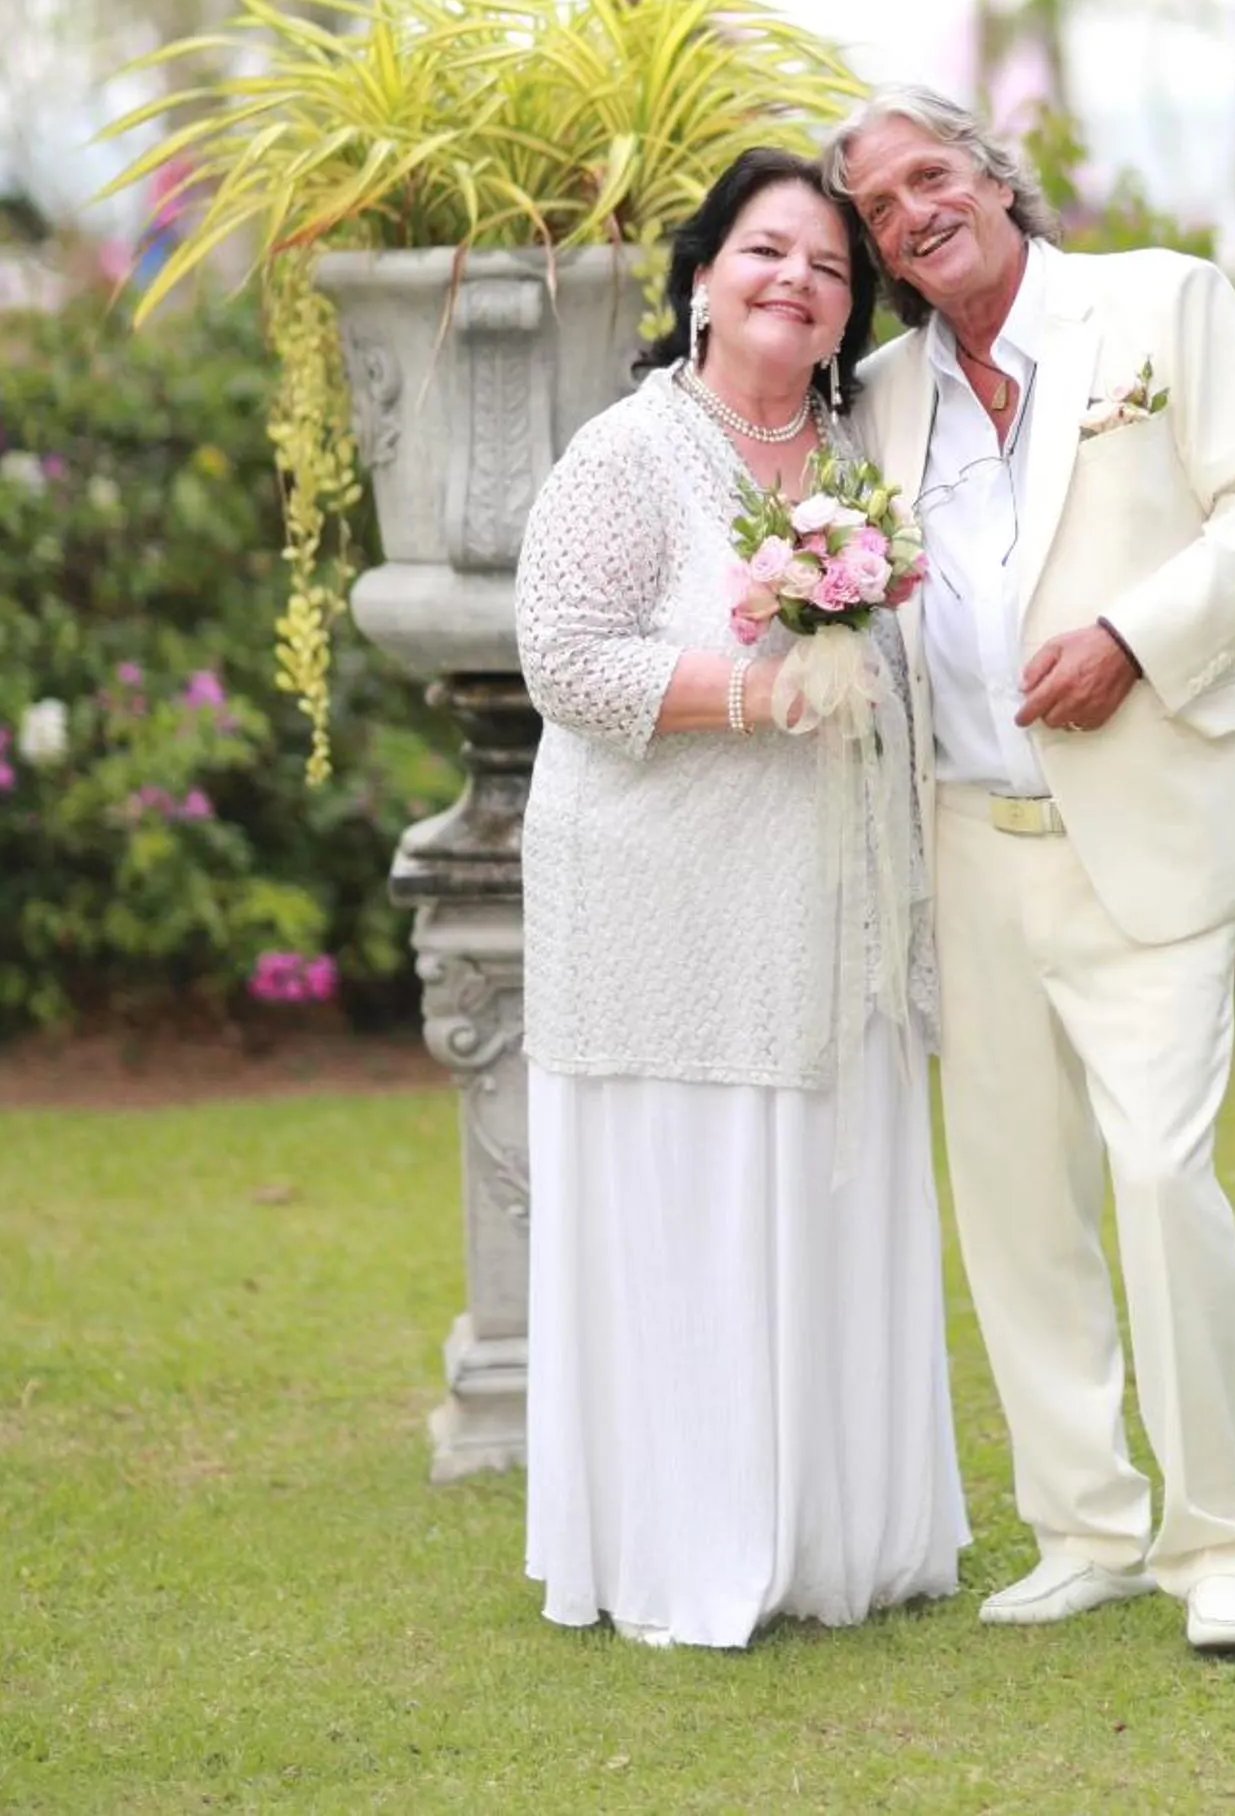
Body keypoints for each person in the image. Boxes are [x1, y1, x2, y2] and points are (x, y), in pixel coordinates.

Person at [827, 89, 1235, 1653]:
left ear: (995, 177)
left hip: (1155, 825)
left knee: (1158, 1171)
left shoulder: (1162, 302)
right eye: (875, 207)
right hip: (965, 841)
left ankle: (1218, 1543)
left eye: (930, 175)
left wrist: (1135, 637)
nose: (910, 212)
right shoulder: (879, 394)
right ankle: (1083, 1527)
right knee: (1012, 1199)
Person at [513, 145, 966, 1650]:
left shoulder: (861, 468)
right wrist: (750, 693)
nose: (798, 282)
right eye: (768, 251)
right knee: (696, 1215)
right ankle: (688, 1543)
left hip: (829, 913)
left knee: (827, 1184)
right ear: (702, 277)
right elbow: (565, 661)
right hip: (661, 917)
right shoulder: (627, 452)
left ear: (850, 317)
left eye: (832, 269)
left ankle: (846, 1531)